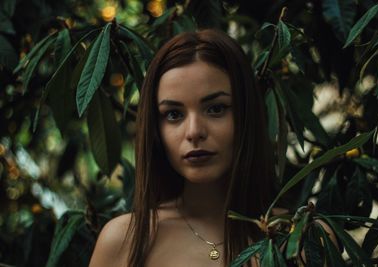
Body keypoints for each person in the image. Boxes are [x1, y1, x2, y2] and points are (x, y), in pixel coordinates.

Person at [89, 29, 277, 267]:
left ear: (246, 114)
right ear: (155, 130)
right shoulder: (123, 240)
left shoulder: (299, 237)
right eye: (174, 114)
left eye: (216, 109)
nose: (194, 131)